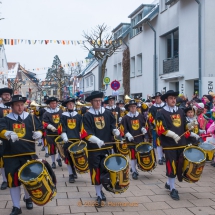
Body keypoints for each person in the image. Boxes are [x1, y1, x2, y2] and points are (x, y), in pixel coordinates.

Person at [0, 95, 43, 215]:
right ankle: (16, 206)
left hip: (28, 153)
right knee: (13, 181)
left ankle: (28, 198)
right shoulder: (6, 119)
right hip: (10, 155)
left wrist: (39, 133)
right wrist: (7, 133)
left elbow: (40, 128)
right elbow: (1, 130)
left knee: (28, 179)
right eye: (17, 105)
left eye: (21, 105)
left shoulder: (32, 118)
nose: (20, 107)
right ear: (12, 106)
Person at [81, 91, 120, 207]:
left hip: (107, 147)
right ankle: (98, 194)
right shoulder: (87, 116)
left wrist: (115, 131)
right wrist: (96, 140)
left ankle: (103, 188)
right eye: (96, 101)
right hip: (93, 149)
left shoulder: (108, 113)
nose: (98, 103)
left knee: (106, 170)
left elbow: (112, 125)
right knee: (96, 171)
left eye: (99, 100)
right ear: (91, 102)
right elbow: (85, 133)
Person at [156, 90, 192, 201]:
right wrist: (173, 135)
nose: (173, 100)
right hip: (169, 145)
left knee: (180, 165)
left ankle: (168, 183)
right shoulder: (161, 112)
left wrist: (191, 126)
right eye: (171, 98)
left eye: (174, 98)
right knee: (171, 165)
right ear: (166, 100)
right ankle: (172, 189)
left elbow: (185, 126)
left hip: (181, 144)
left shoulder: (181, 111)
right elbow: (160, 129)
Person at [120, 99, 147, 180]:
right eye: (131, 107)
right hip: (131, 140)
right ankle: (134, 171)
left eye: (134, 106)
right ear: (129, 108)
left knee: (139, 155)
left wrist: (143, 129)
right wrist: (128, 135)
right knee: (132, 156)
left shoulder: (140, 116)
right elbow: (124, 129)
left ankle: (135, 168)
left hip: (139, 139)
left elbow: (143, 124)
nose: (133, 108)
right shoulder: (125, 118)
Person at [60, 97, 82, 182]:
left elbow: (81, 127)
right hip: (68, 140)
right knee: (68, 158)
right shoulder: (63, 116)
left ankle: (74, 171)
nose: (71, 105)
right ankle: (70, 174)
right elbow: (62, 127)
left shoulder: (79, 116)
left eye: (72, 104)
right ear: (66, 105)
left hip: (77, 139)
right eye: (69, 104)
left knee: (76, 157)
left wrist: (81, 136)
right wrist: (64, 137)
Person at [42, 97, 63, 168]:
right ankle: (53, 162)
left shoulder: (60, 111)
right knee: (52, 148)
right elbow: (44, 123)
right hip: (50, 133)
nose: (53, 105)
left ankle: (59, 158)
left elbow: (63, 121)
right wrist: (50, 127)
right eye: (52, 103)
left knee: (60, 147)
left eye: (55, 103)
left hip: (59, 133)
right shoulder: (46, 113)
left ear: (57, 103)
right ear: (49, 104)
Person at [0, 87, 13, 190]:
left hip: (15, 136)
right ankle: (4, 180)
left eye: (8, 94)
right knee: (2, 160)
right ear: (1, 96)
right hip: (1, 137)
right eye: (4, 94)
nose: (6, 96)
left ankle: (14, 178)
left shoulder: (15, 106)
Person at [148, 92, 166, 165]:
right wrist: (156, 123)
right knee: (158, 143)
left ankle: (165, 156)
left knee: (165, 142)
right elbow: (150, 117)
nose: (157, 99)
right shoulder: (153, 107)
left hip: (165, 127)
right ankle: (160, 158)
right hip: (157, 127)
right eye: (156, 98)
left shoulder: (165, 105)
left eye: (158, 98)